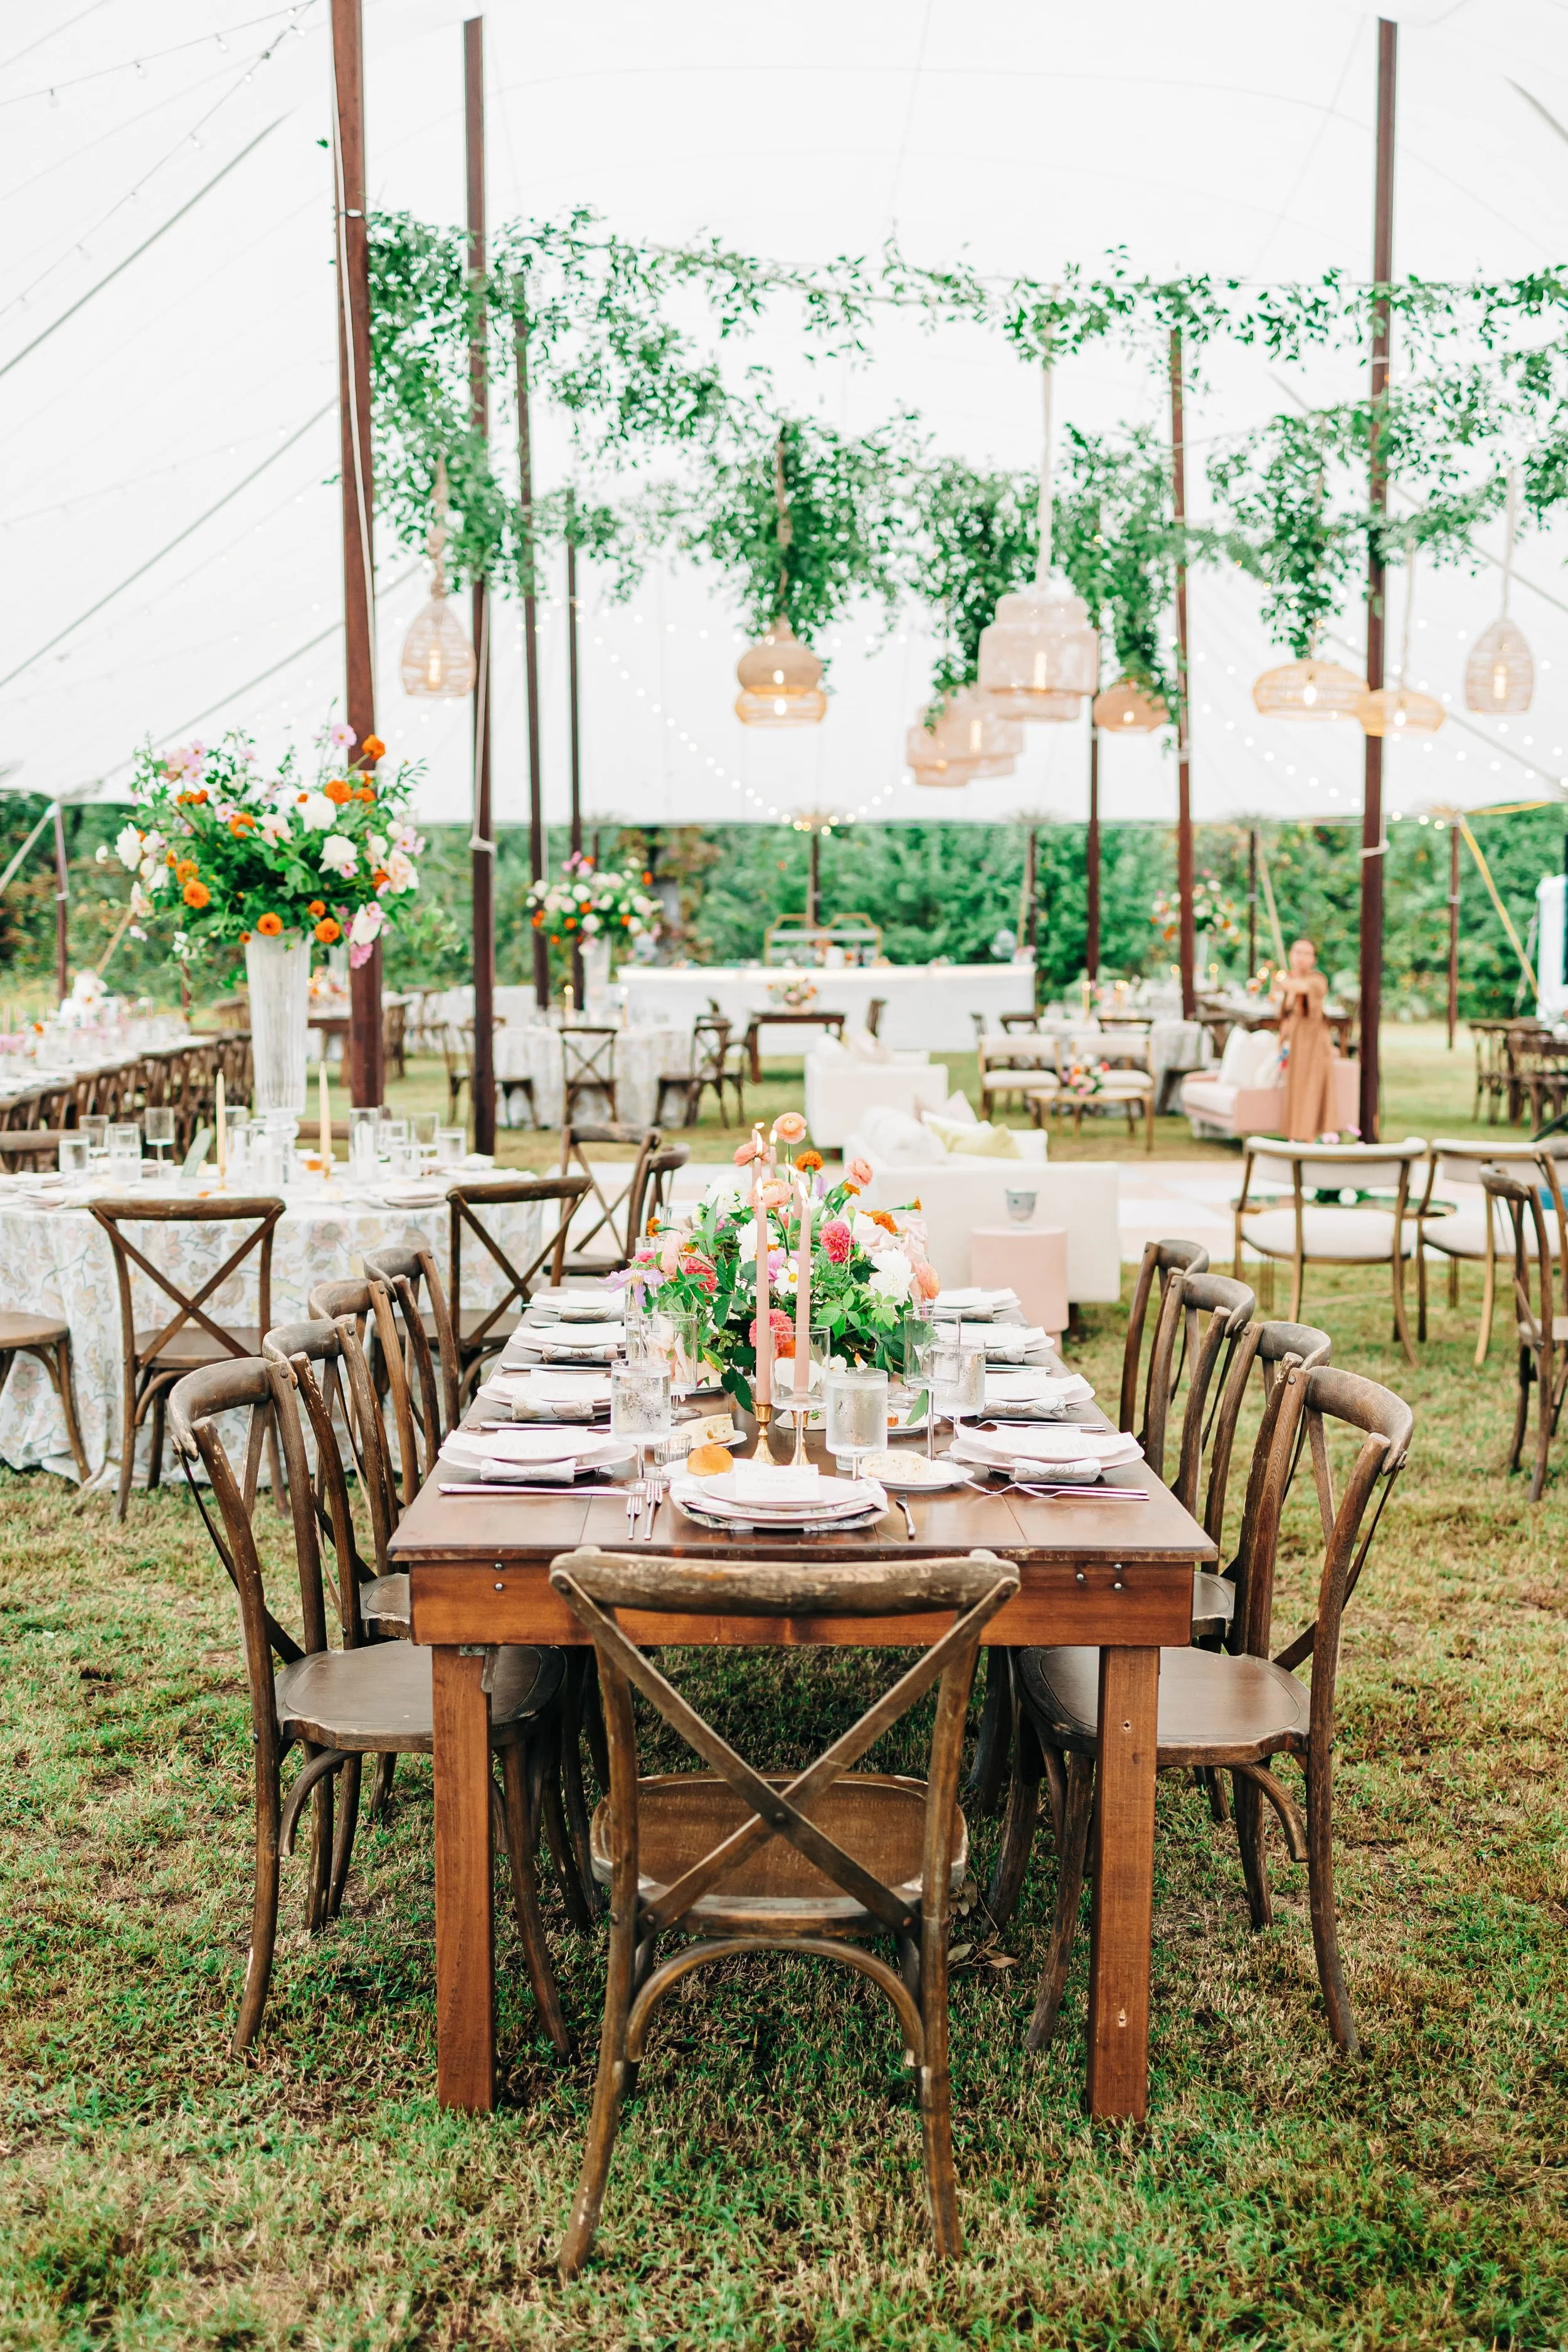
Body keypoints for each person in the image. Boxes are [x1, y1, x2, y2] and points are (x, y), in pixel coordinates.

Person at [1271, 938, 1336, 1142]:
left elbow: (1303, 988)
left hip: (1314, 1043)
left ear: (1314, 959)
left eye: (1307, 953)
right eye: (1298, 952)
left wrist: (1286, 985)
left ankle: (1312, 1136)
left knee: (1312, 1088)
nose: (1301, 958)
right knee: (1296, 1088)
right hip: (1296, 1043)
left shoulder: (1317, 980)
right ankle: (1294, 1135)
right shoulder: (1290, 980)